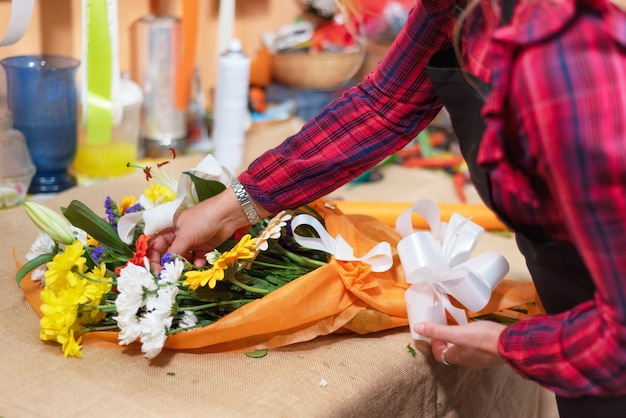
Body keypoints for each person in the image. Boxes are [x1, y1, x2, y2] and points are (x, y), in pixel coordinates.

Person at [148, 0, 626, 416]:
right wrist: (232, 207)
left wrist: (507, 345)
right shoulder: (455, 9)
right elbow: (384, 105)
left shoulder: (561, 65)